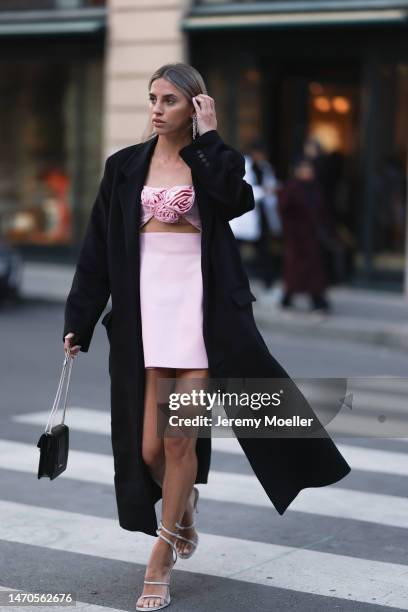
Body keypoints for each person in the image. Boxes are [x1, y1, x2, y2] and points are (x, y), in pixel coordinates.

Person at [63, 63, 351, 611]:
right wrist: (79, 316)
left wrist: (210, 138)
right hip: (145, 322)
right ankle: (184, 509)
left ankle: (161, 558)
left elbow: (234, 201)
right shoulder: (124, 166)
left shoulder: (214, 161)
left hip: (202, 319)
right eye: (153, 98)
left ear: (194, 107)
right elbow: (98, 249)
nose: (156, 108)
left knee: (178, 442)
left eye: (169, 100)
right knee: (148, 449)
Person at [278, 156, 337, 313]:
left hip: (312, 237)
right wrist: (290, 233)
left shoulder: (315, 188)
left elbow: (323, 212)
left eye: (310, 169)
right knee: (296, 270)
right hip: (297, 238)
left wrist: (329, 231)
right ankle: (291, 298)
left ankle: (316, 299)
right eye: (304, 169)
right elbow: (284, 212)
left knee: (313, 270)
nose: (308, 172)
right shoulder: (292, 188)